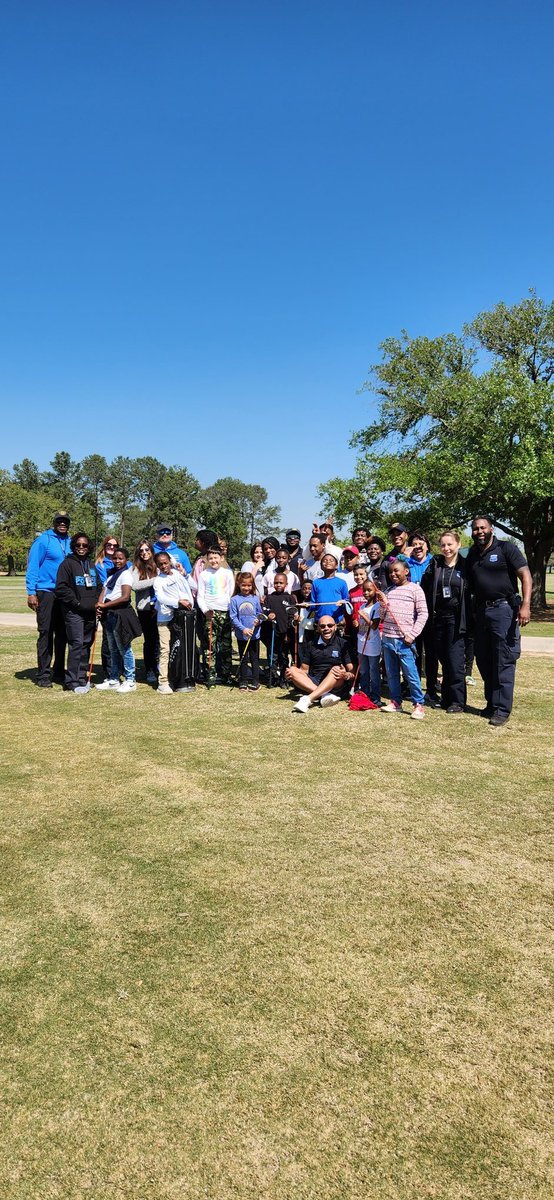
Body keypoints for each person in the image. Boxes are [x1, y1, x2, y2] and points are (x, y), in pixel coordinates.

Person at [465, 516, 532, 726]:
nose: (479, 532)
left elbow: (525, 575)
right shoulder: (472, 554)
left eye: (483, 527)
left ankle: (503, 709)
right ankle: (492, 704)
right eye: (475, 529)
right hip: (481, 613)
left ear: (491, 529)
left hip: (504, 610)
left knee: (504, 660)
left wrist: (526, 605)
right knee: (484, 660)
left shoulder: (507, 548)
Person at [26, 511, 71, 687]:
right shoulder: (43, 540)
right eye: (59, 521)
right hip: (46, 591)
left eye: (65, 522)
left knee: (62, 634)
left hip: (64, 593)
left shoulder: (71, 541)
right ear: (54, 523)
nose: (62, 524)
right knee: (46, 633)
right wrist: (31, 592)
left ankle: (59, 671)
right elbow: (33, 566)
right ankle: (43, 675)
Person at [428, 530, 471, 713]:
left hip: (456, 618)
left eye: (450, 544)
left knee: (454, 661)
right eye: (443, 545)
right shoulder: (436, 565)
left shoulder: (465, 566)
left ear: (458, 545)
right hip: (439, 618)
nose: (446, 548)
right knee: (444, 660)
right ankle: (446, 699)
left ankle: (457, 701)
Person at [380, 556, 428, 719]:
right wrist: (383, 605)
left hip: (404, 640)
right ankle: (395, 702)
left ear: (406, 572)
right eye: (390, 572)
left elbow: (423, 614)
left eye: (396, 571)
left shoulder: (415, 589)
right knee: (392, 674)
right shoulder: (388, 591)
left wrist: (413, 634)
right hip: (387, 638)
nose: (392, 574)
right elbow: (382, 616)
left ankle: (418, 704)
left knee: (411, 674)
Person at [55, 533, 102, 693]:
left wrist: (97, 602)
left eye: (85, 545)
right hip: (74, 612)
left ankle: (82, 678)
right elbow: (61, 588)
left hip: (90, 613)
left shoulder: (91, 564)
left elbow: (99, 586)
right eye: (78, 545)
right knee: (76, 643)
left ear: (89, 547)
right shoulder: (67, 564)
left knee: (86, 644)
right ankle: (71, 681)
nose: (81, 548)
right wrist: (77, 603)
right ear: (73, 546)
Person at [285, 615, 354, 712]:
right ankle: (324, 695)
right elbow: (304, 670)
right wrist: (290, 675)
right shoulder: (311, 644)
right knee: (292, 670)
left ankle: (308, 699)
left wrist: (346, 675)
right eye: (322, 626)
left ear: (335, 627)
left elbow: (352, 672)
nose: (326, 628)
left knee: (336, 669)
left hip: (336, 682)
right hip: (315, 681)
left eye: (330, 626)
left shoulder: (343, 644)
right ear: (317, 628)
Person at [95, 548, 138, 693]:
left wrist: (104, 605)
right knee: (112, 648)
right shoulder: (111, 575)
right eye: (115, 558)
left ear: (126, 559)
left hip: (120, 614)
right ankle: (114, 678)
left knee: (124, 648)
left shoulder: (126, 574)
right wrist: (99, 605)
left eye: (120, 558)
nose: (117, 561)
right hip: (109, 614)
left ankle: (130, 680)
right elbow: (104, 591)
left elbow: (125, 597)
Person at [152, 552, 195, 695]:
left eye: (165, 563)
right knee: (165, 650)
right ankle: (163, 682)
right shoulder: (158, 580)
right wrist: (178, 602)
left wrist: (185, 574)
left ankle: (180, 676)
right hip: (165, 619)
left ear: (170, 561)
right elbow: (161, 597)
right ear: (157, 566)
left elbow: (193, 586)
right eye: (160, 564)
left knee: (182, 647)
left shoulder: (177, 574)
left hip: (182, 617)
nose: (164, 566)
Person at [407, 530, 439, 705]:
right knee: (415, 653)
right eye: (414, 544)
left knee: (432, 654)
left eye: (421, 543)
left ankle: (432, 690)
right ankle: (415, 689)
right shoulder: (406, 563)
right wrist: (404, 556)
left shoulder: (434, 562)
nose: (418, 547)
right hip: (410, 615)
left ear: (427, 545)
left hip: (430, 614)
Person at [196, 545, 235, 685]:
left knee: (225, 646)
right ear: (207, 559)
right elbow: (200, 596)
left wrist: (230, 610)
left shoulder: (227, 573)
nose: (213, 560)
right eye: (210, 558)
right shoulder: (204, 574)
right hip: (210, 613)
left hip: (225, 611)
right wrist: (206, 610)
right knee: (209, 646)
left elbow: (231, 593)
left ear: (221, 558)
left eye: (216, 557)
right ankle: (209, 675)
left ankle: (226, 675)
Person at [229, 572, 264, 691]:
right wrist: (243, 629)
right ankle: (243, 681)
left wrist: (258, 621)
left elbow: (260, 614)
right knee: (243, 658)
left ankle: (255, 681)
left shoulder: (255, 598)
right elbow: (233, 617)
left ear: (252, 585)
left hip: (254, 635)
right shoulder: (234, 599)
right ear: (239, 584)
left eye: (249, 585)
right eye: (244, 585)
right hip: (242, 635)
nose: (246, 588)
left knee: (254, 659)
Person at [130, 540, 159, 684]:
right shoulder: (136, 568)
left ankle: (160, 667)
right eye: (141, 550)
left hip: (160, 608)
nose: (144, 552)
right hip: (145, 610)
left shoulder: (158, 565)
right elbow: (135, 585)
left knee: (161, 640)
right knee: (150, 640)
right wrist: (154, 580)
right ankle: (150, 669)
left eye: (147, 549)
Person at [262, 572, 297, 682]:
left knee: (284, 656)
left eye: (281, 583)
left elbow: (291, 616)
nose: (278, 585)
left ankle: (284, 678)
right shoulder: (269, 598)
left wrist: (288, 632)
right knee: (272, 656)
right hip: (272, 632)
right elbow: (265, 610)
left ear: (286, 584)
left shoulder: (290, 598)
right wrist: (269, 615)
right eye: (276, 583)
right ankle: (273, 678)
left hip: (285, 633)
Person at [357, 579, 382, 706]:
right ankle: (365, 693)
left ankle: (376, 695)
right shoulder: (362, 606)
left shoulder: (377, 607)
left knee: (373, 671)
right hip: (361, 643)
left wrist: (364, 616)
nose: (366, 593)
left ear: (375, 591)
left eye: (369, 590)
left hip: (372, 644)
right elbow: (362, 625)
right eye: (364, 590)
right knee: (363, 671)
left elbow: (374, 626)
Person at [310, 553, 351, 624]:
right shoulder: (316, 583)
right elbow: (313, 603)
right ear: (321, 566)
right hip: (321, 621)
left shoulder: (341, 582)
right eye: (325, 560)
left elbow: (347, 601)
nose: (328, 562)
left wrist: (343, 602)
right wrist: (307, 606)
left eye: (331, 560)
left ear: (336, 566)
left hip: (336, 621)